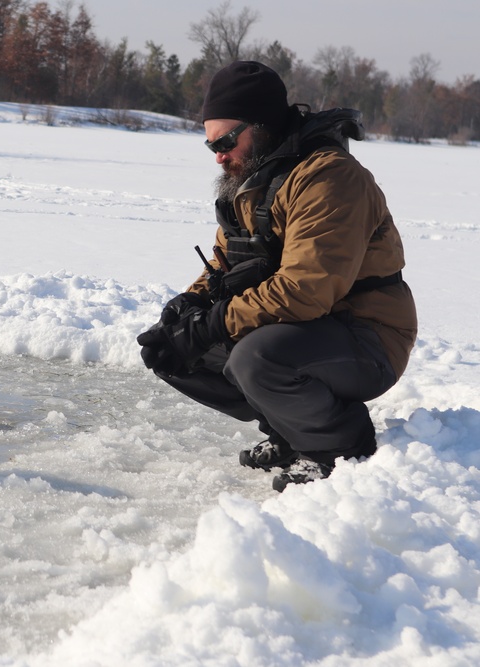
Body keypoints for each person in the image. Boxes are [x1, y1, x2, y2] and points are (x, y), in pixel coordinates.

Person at [137, 61, 417, 492]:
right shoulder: (250, 181)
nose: (218, 154)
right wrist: (188, 307)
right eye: (210, 144)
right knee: (172, 347)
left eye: (226, 140)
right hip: (305, 330)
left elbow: (306, 290)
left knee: (256, 357)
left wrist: (214, 322)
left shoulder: (329, 178)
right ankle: (291, 432)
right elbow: (226, 261)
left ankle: (338, 444)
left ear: (262, 125)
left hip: (366, 336)